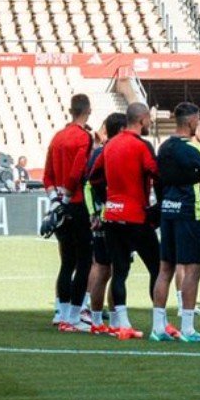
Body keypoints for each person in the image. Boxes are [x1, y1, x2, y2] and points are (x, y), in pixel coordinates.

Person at [88, 102, 159, 339]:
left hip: (112, 215)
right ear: (142, 119)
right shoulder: (142, 146)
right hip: (136, 216)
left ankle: (123, 324)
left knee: (119, 270)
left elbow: (94, 178)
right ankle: (160, 323)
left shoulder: (109, 146)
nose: (149, 124)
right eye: (149, 120)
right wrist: (156, 208)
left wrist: (106, 199)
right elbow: (155, 173)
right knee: (157, 268)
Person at [150, 102, 200, 343]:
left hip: (168, 209)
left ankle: (158, 327)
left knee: (165, 268)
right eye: (198, 120)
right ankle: (188, 328)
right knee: (193, 269)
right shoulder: (194, 150)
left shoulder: (164, 147)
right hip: (191, 211)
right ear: (190, 122)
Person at [44, 95, 94, 330]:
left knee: (66, 262)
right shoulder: (84, 137)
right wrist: (65, 198)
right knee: (84, 261)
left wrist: (55, 201)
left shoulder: (57, 136)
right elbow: (77, 173)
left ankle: (60, 313)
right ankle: (74, 315)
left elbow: (47, 174)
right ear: (88, 111)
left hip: (59, 205)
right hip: (76, 203)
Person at [80, 113, 124, 332]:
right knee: (116, 268)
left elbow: (88, 186)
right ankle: (114, 319)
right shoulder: (117, 151)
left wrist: (93, 214)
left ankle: (96, 318)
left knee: (101, 266)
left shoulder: (98, 152)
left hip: (100, 217)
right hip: (117, 217)